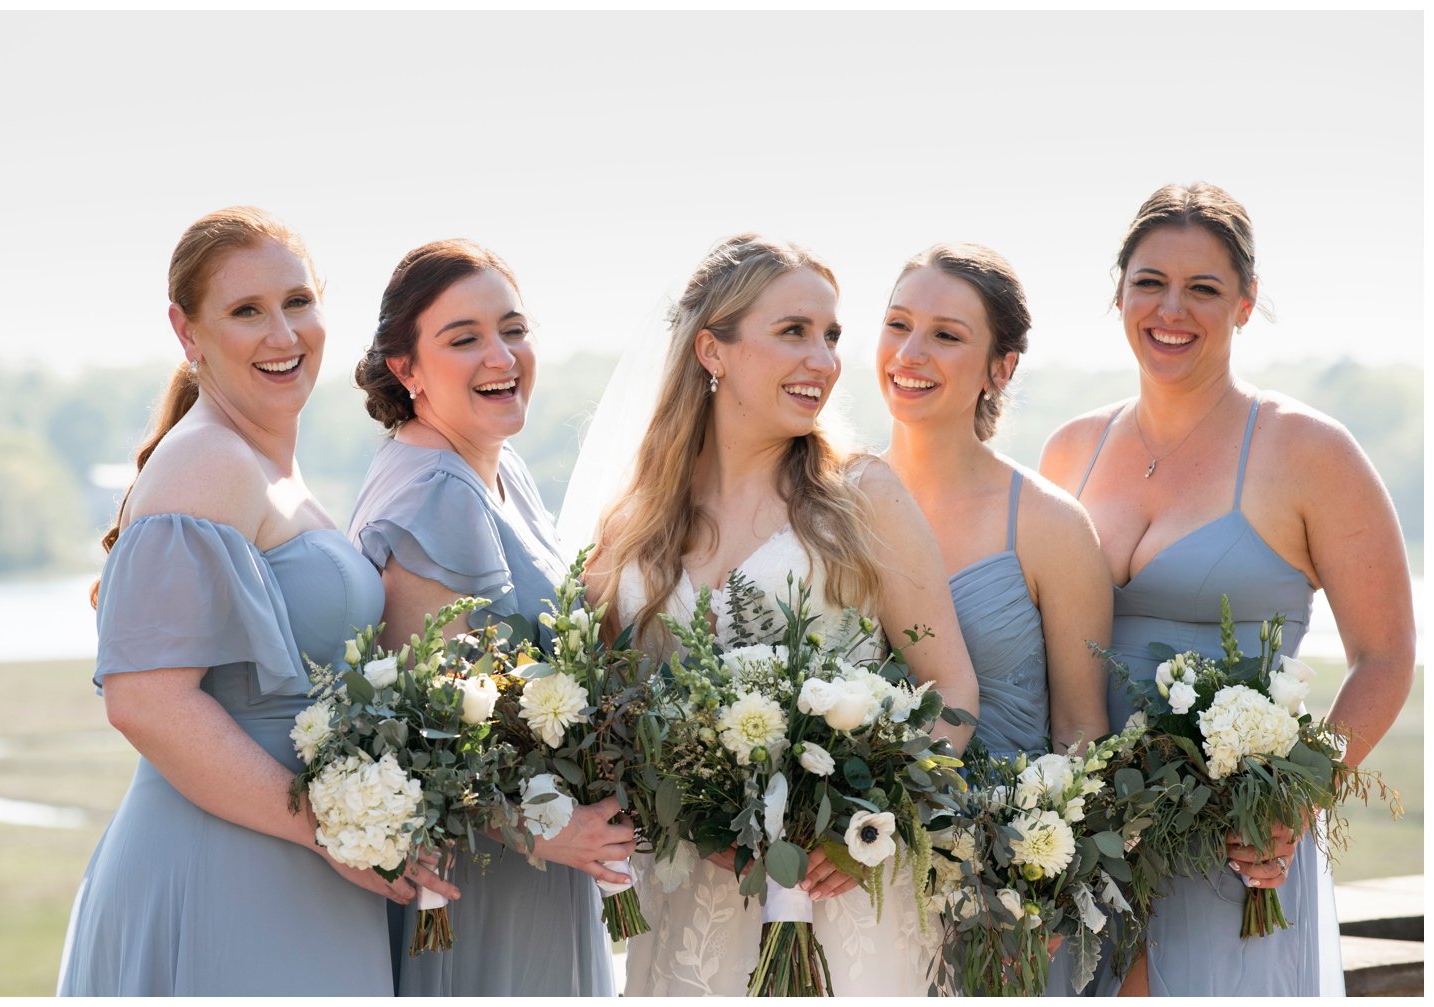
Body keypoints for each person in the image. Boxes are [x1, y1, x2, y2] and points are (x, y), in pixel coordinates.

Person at [57, 207, 456, 996]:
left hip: (298, 867)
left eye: (297, 302)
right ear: (187, 331)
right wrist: (332, 830)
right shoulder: (204, 463)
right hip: (223, 869)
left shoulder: (266, 468)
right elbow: (147, 704)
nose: (283, 334)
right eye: (246, 311)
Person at [1039, 182, 1415, 996]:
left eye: (1203, 288)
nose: (1172, 309)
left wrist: (1295, 804)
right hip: (1083, 846)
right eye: (1150, 282)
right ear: (1119, 294)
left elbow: (1385, 656)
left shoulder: (1309, 450)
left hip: (1231, 846)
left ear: (1245, 305)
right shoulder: (1071, 449)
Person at [584, 233, 981, 996]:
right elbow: (607, 717)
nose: (825, 361)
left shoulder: (864, 498)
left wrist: (870, 816)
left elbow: (953, 691)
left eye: (831, 336)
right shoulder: (633, 526)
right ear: (714, 350)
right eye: (794, 332)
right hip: (693, 895)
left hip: (843, 892)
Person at [346, 239, 631, 996]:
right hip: (483, 880)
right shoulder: (435, 491)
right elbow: (442, 723)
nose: (501, 355)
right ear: (405, 369)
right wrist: (547, 825)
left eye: (512, 328)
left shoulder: (498, 464)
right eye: (463, 338)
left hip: (536, 863)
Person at [878, 242, 1110, 759]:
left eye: (945, 335)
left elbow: (1081, 732)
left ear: (1000, 370)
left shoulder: (1052, 525)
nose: (909, 353)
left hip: (1003, 832)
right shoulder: (831, 501)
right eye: (898, 324)